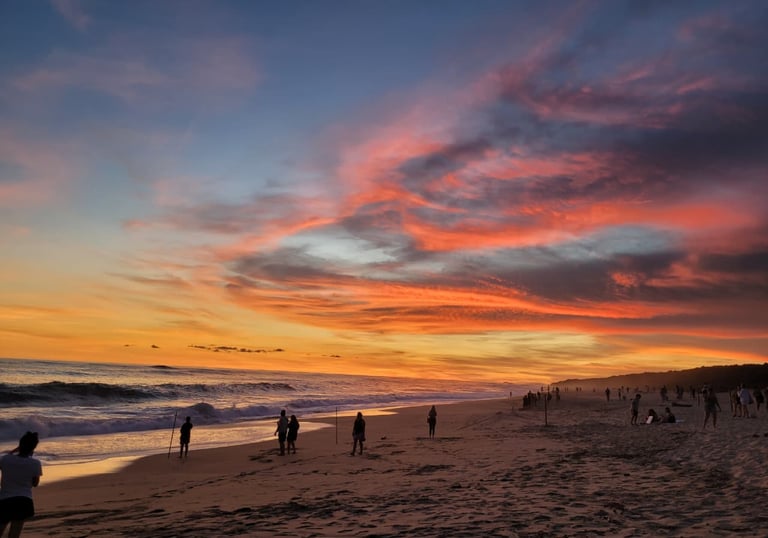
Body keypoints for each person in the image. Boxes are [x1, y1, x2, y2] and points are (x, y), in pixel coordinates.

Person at [0, 432, 42, 538]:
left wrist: (14, 451)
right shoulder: (35, 463)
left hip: (5, 499)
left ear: (20, 445)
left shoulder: (5, 459)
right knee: (14, 534)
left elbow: (5, 460)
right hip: (24, 501)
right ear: (34, 447)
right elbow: (35, 483)